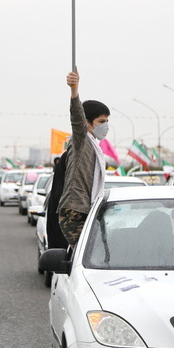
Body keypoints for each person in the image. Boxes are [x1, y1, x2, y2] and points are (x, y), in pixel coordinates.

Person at [57, 70, 110, 246]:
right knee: (85, 255)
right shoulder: (81, 141)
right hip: (75, 211)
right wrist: (74, 90)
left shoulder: (95, 147)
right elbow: (77, 117)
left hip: (89, 210)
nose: (106, 126)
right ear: (87, 123)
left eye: (107, 121)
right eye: (101, 121)